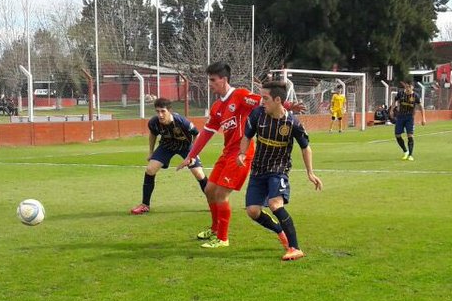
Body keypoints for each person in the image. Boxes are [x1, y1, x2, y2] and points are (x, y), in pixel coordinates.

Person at [177, 62, 262, 249]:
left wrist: (287, 105)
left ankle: (223, 238)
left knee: (221, 194)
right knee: (209, 190)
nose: (210, 84)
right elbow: (206, 133)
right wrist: (191, 155)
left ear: (224, 79)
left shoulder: (240, 95)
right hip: (227, 152)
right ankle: (215, 229)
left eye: (213, 80)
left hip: (241, 153)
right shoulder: (217, 106)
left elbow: (264, 102)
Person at [237, 80, 322, 261]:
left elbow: (306, 147)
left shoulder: (292, 123)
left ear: (277, 100)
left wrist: (310, 172)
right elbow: (247, 136)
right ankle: (279, 231)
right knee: (252, 211)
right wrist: (242, 154)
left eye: (265, 98)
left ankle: (295, 247)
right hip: (258, 170)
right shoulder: (257, 115)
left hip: (278, 170)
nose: (261, 101)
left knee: (275, 204)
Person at [131, 98, 207, 215]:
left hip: (186, 147)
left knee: (199, 174)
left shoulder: (181, 121)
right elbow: (153, 134)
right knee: (150, 170)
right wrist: (151, 152)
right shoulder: (153, 122)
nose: (160, 115)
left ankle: (214, 203)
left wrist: (193, 155)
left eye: (163, 111)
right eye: (157, 111)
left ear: (169, 111)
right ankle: (145, 205)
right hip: (166, 146)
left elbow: (197, 135)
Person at [391, 81, 426, 160]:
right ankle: (405, 151)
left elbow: (421, 107)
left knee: (409, 135)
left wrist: (423, 118)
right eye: (406, 87)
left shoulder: (415, 96)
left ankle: (410, 155)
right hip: (400, 117)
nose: (407, 88)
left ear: (412, 87)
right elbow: (394, 101)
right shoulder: (400, 94)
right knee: (397, 135)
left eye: (409, 87)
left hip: (409, 117)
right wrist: (391, 110)